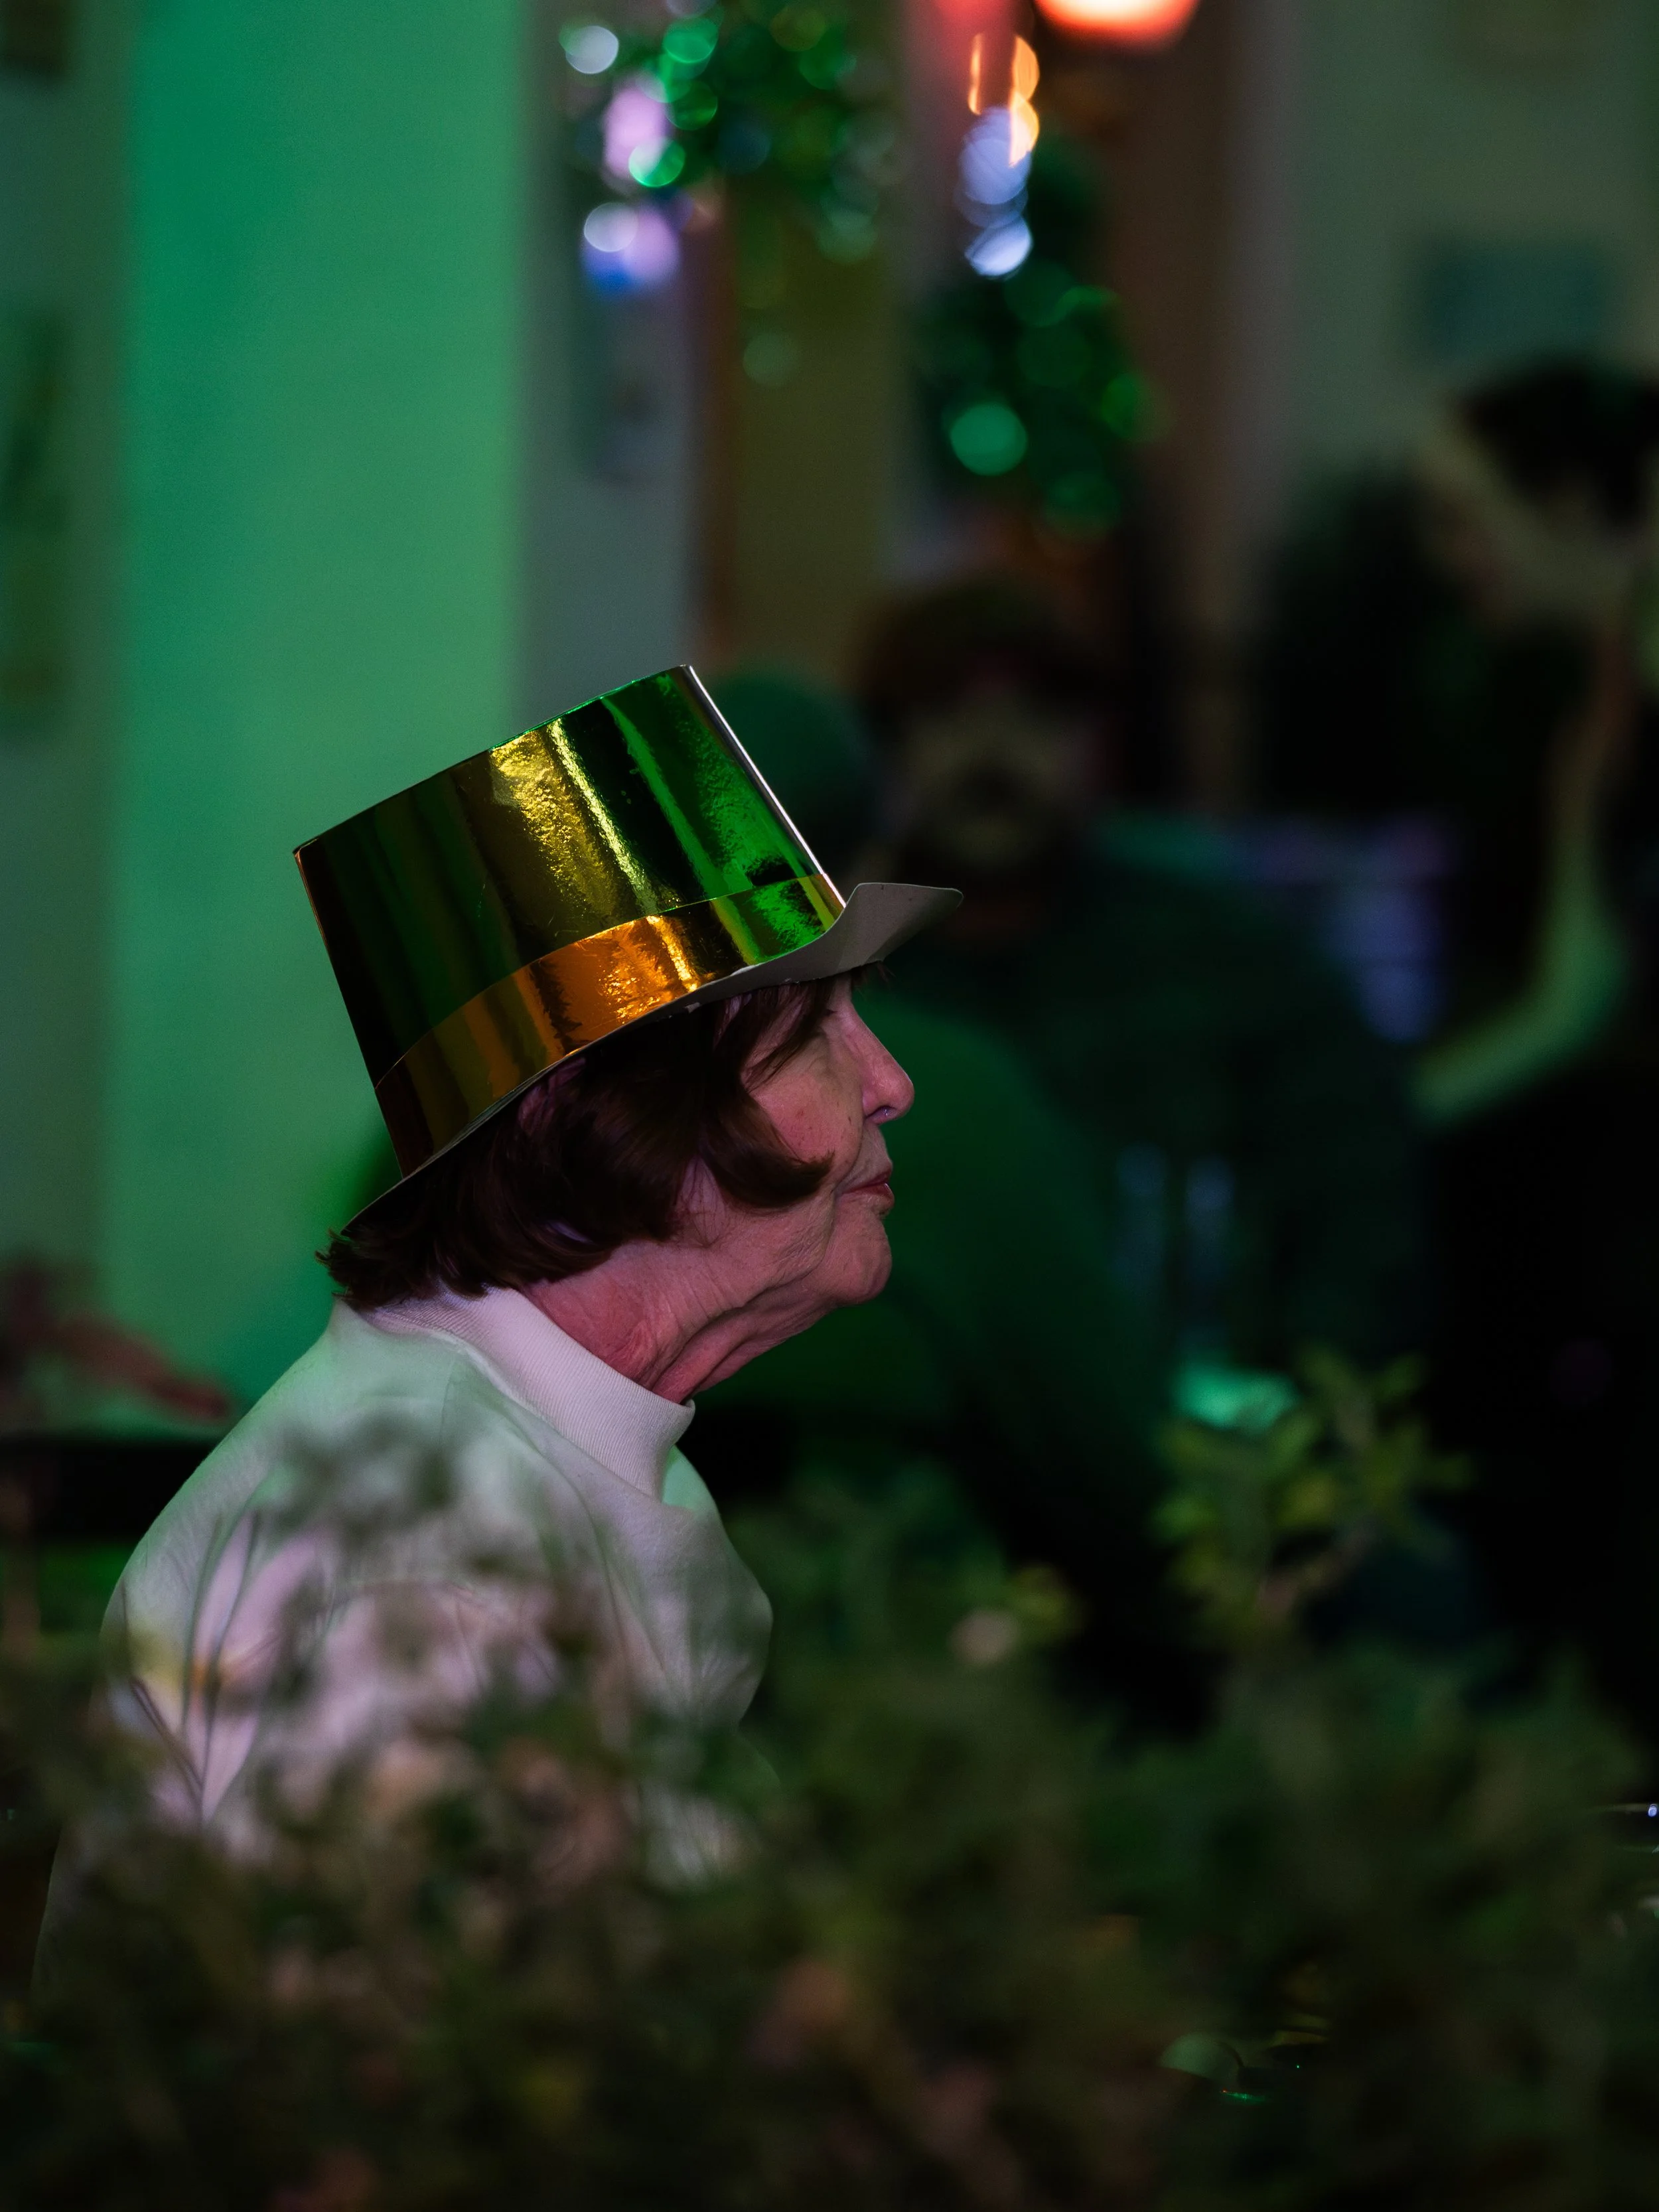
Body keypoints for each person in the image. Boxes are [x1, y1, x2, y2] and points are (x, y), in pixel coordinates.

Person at [72, 668, 957, 1854]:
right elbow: (402, 2034)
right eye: (813, 1032)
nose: (893, 1082)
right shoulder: (430, 1566)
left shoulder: (573, 1451)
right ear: (598, 1119)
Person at [1253, 360, 1659, 1730]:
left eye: (1464, 517)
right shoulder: (1603, 688)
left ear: (1568, 505)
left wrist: (1372, 1121)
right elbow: (1577, 990)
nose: (1443, 558)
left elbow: (1579, 999)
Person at [855, 576, 1424, 1382]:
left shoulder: (1219, 955)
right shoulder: (846, 990)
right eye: (951, 714)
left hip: (1201, 1429)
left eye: (1035, 717)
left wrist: (1305, 1399)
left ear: (1093, 742)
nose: (993, 754)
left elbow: (1360, 1192)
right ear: (893, 744)